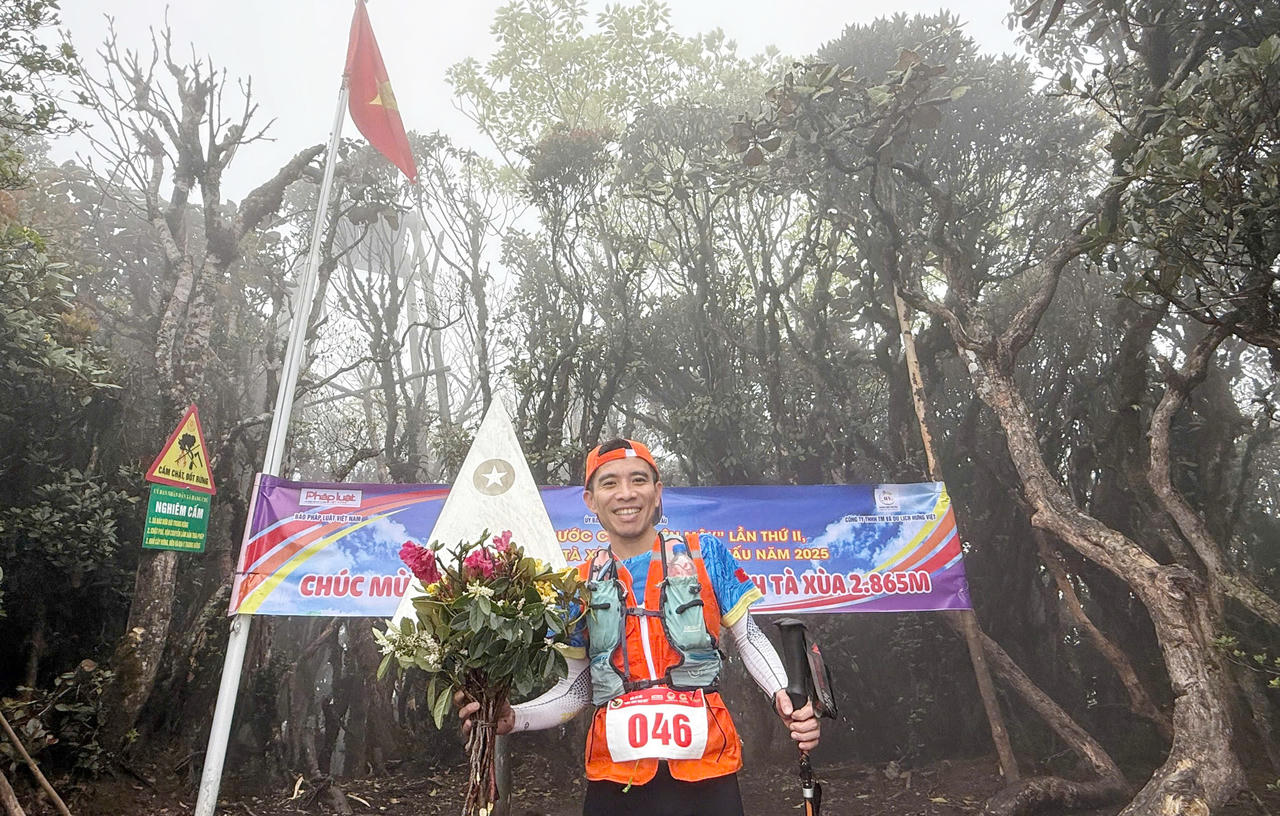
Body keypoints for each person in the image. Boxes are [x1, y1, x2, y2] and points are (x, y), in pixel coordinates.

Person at [458, 438, 821, 816]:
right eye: (610, 483)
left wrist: (784, 696)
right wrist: (515, 717)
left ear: (657, 491)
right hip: (615, 778)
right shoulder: (578, 584)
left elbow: (748, 638)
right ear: (590, 500)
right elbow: (576, 690)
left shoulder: (704, 553)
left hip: (707, 769)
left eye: (639, 480)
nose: (626, 494)